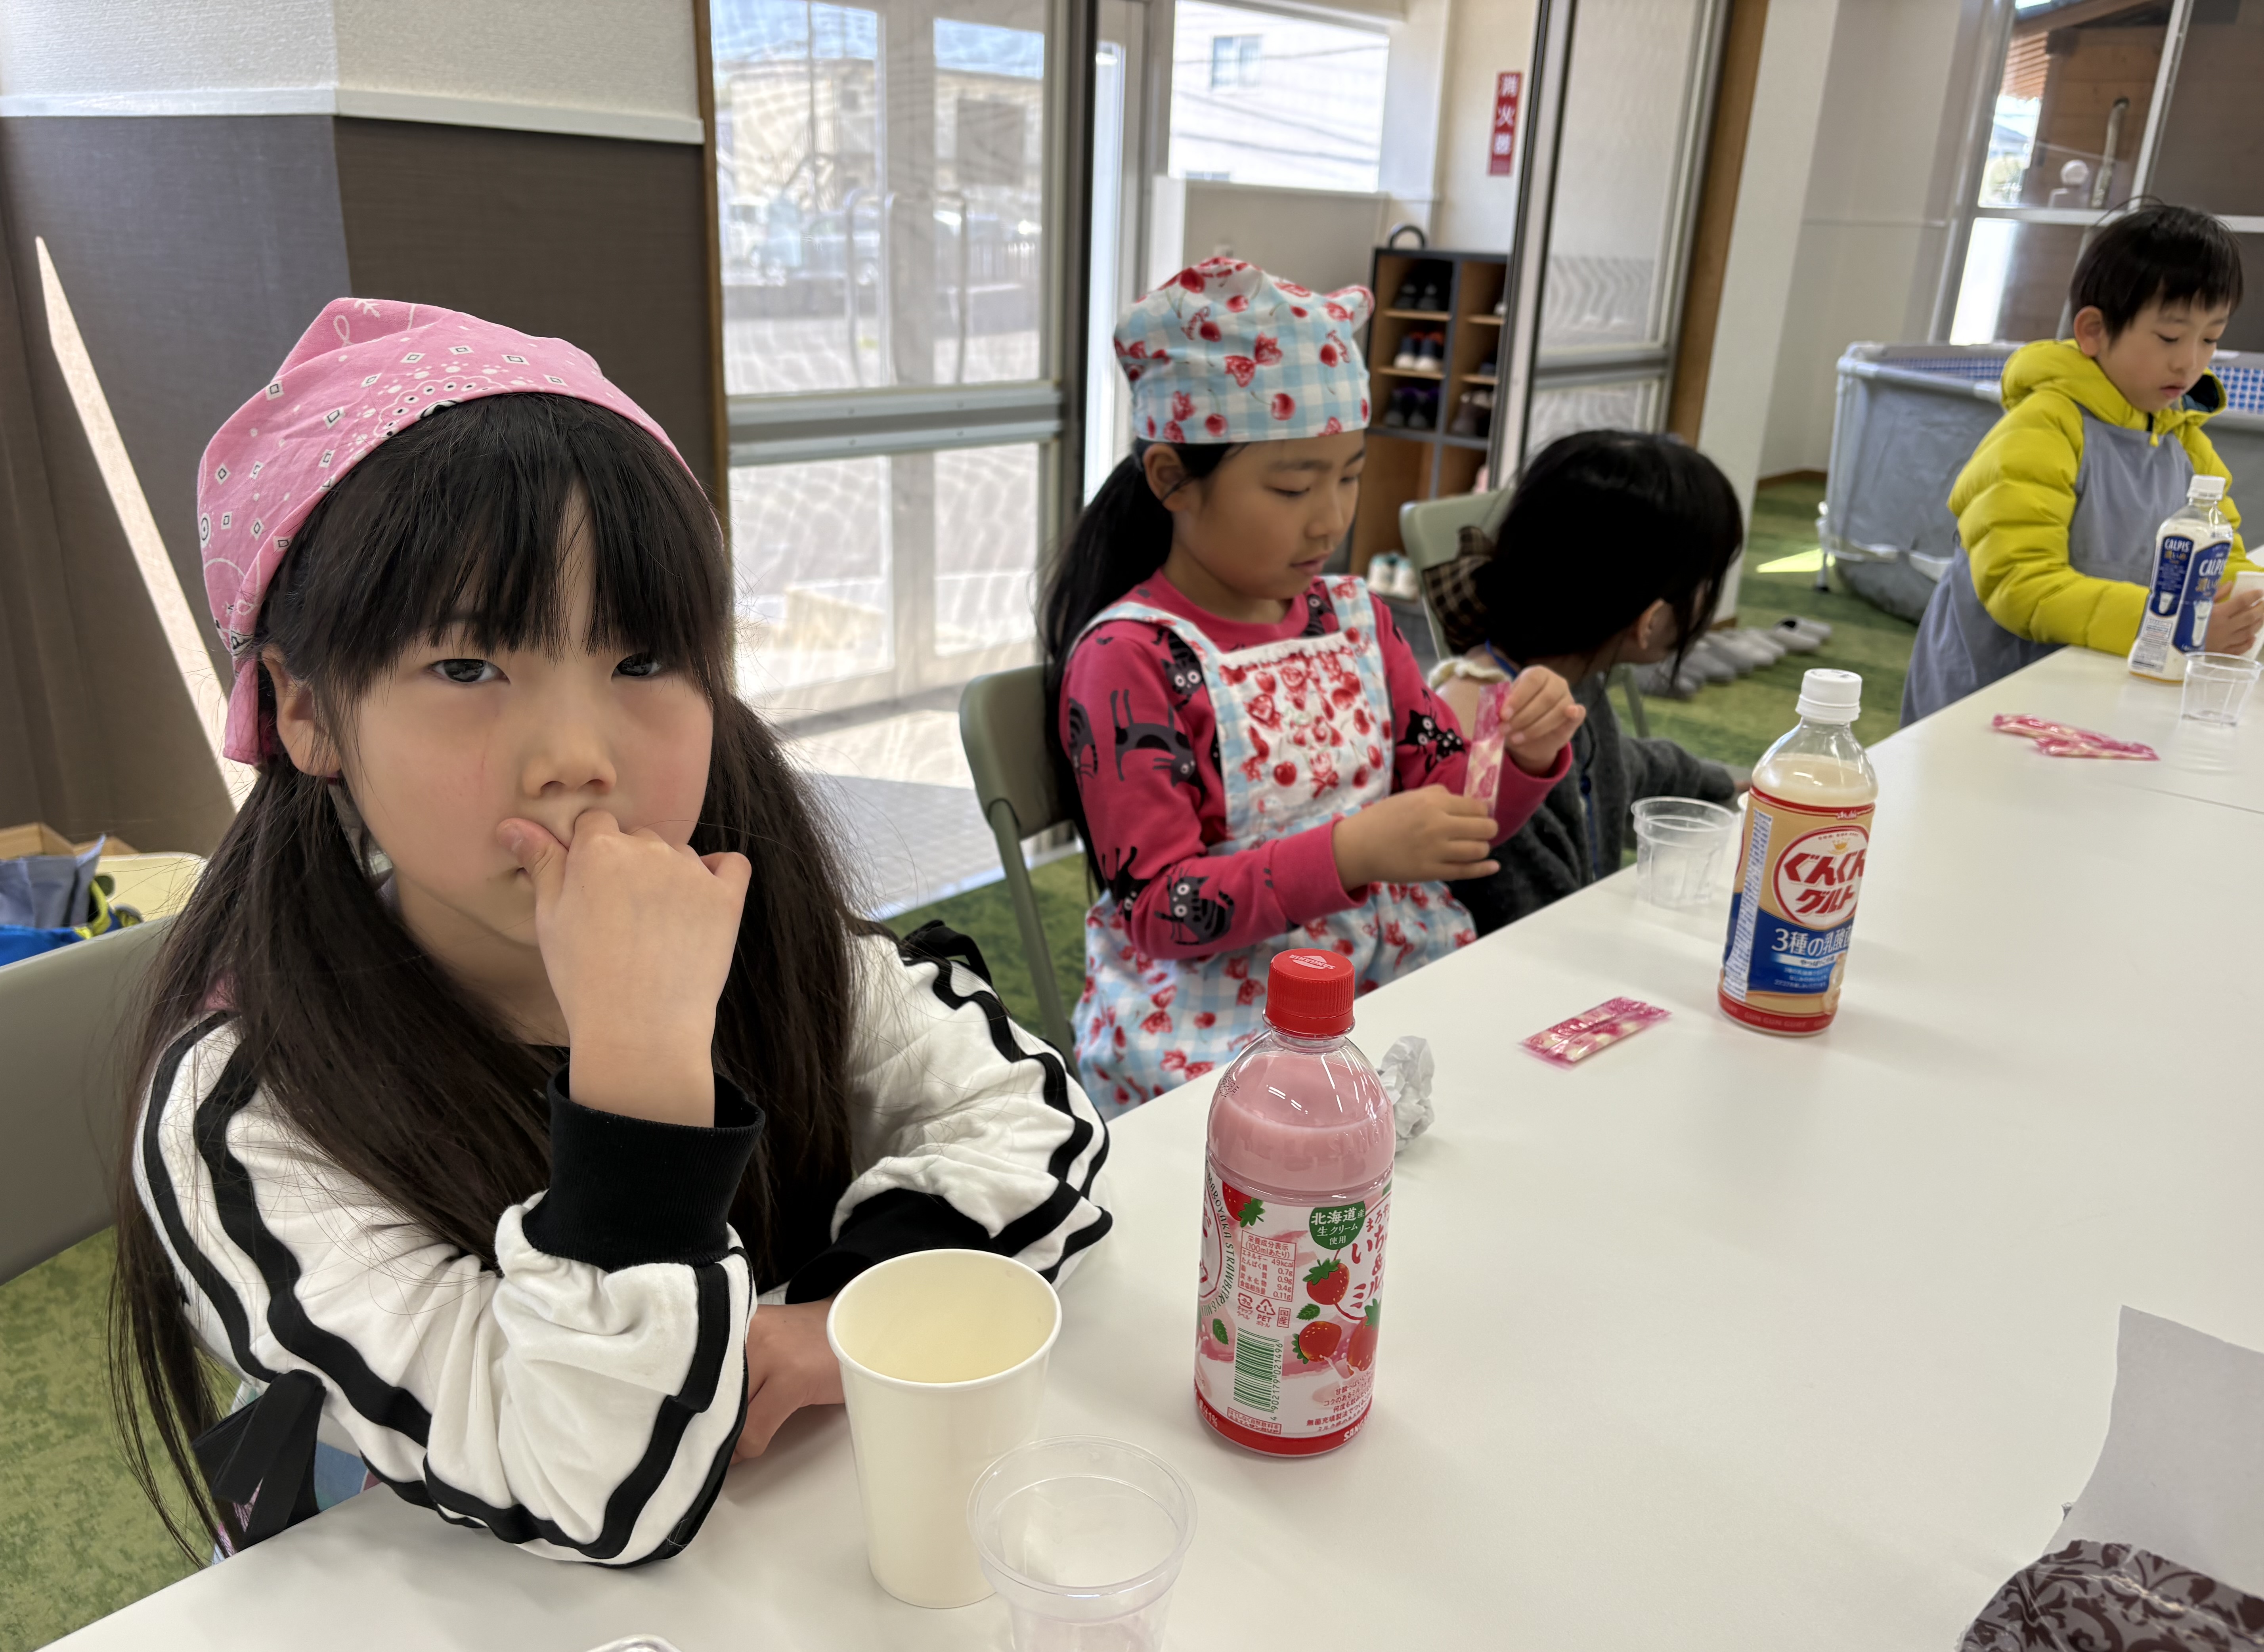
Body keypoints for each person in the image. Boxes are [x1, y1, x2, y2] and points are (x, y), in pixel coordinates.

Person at [113, 302, 1109, 1567]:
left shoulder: (760, 930)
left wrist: (844, 1310)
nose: (578, 757)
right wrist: (639, 1063)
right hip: (426, 1603)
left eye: (642, 661)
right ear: (305, 713)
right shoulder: (249, 1108)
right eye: (468, 668)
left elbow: (1032, 1121)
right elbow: (593, 1485)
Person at [1038, 258, 1582, 1107]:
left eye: (1349, 475)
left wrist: (1517, 755)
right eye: (1293, 486)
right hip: (1215, 1018)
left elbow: (1460, 809)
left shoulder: (1353, 617)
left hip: (1393, 974)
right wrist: (1352, 852)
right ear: (1172, 479)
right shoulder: (1130, 657)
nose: (1331, 518)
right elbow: (1161, 908)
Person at [1903, 204, 2263, 723]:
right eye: (2170, 337)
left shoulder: (2186, 443)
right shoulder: (2043, 428)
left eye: (2210, 339)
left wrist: (2247, 606)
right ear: (2094, 330)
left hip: (2097, 690)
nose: (2190, 362)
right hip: (1990, 696)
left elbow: (2222, 561)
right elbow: (2020, 585)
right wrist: (2173, 628)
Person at [1421, 430, 1748, 935]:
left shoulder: (1572, 676)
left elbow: (1623, 765)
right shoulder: (1490, 733)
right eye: (1706, 584)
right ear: (1651, 619)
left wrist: (1716, 783)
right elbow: (1522, 917)